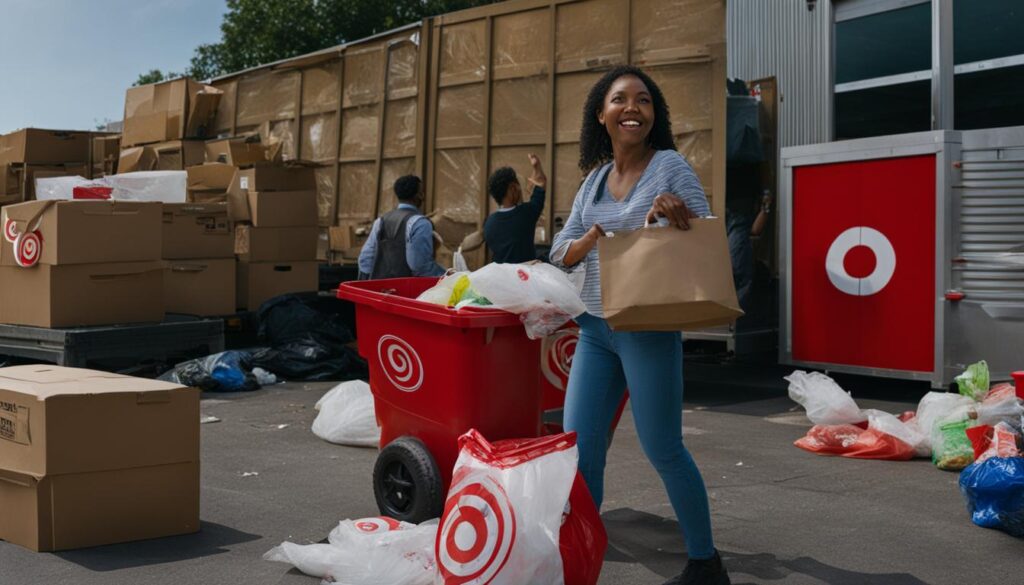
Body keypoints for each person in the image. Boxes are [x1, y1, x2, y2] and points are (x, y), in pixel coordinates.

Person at [550, 65, 731, 585]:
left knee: (663, 447)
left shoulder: (669, 166)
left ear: (654, 115)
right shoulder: (593, 180)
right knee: (579, 449)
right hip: (593, 330)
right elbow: (560, 251)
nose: (633, 108)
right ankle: (583, 559)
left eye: (644, 101)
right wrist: (587, 242)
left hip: (648, 328)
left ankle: (704, 562)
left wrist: (675, 214)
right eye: (620, 100)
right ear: (601, 115)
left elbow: (702, 236)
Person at [357, 175, 445, 279]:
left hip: (381, 289)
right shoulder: (420, 223)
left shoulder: (381, 221)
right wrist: (446, 275)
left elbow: (365, 259)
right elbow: (420, 266)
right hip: (407, 291)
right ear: (420, 195)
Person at [483, 154, 547, 263]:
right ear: (513, 187)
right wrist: (537, 167)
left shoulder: (489, 223)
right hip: (525, 277)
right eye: (518, 185)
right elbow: (541, 183)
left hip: (499, 277)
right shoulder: (526, 213)